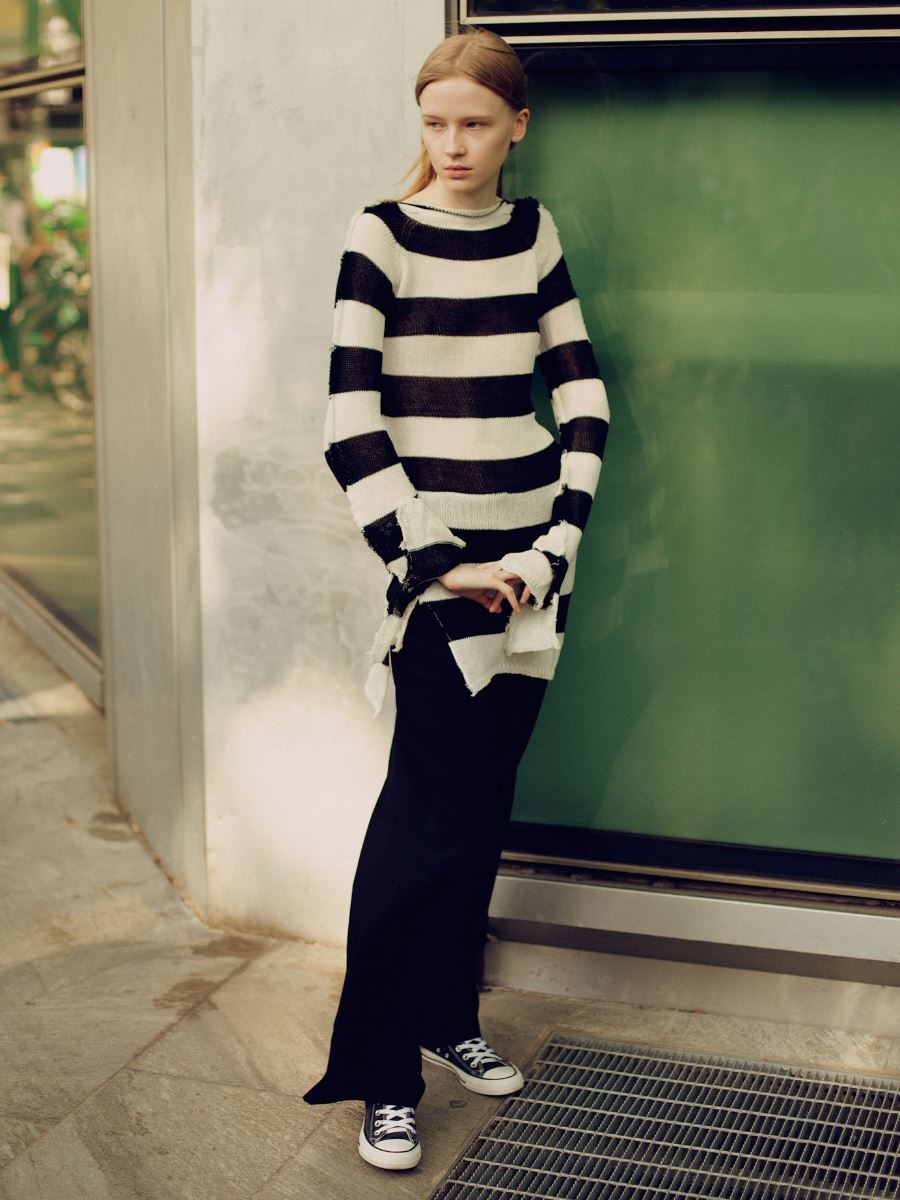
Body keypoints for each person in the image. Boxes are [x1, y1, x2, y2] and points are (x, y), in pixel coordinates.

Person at [302, 26, 611, 1172]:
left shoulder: (534, 233)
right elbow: (350, 428)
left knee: (481, 809)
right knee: (424, 822)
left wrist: (555, 545)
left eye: (475, 123)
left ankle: (446, 1016)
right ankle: (385, 1075)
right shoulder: (380, 236)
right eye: (435, 123)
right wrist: (439, 564)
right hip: (438, 578)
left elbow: (583, 399)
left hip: (533, 571)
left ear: (517, 126)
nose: (453, 144)